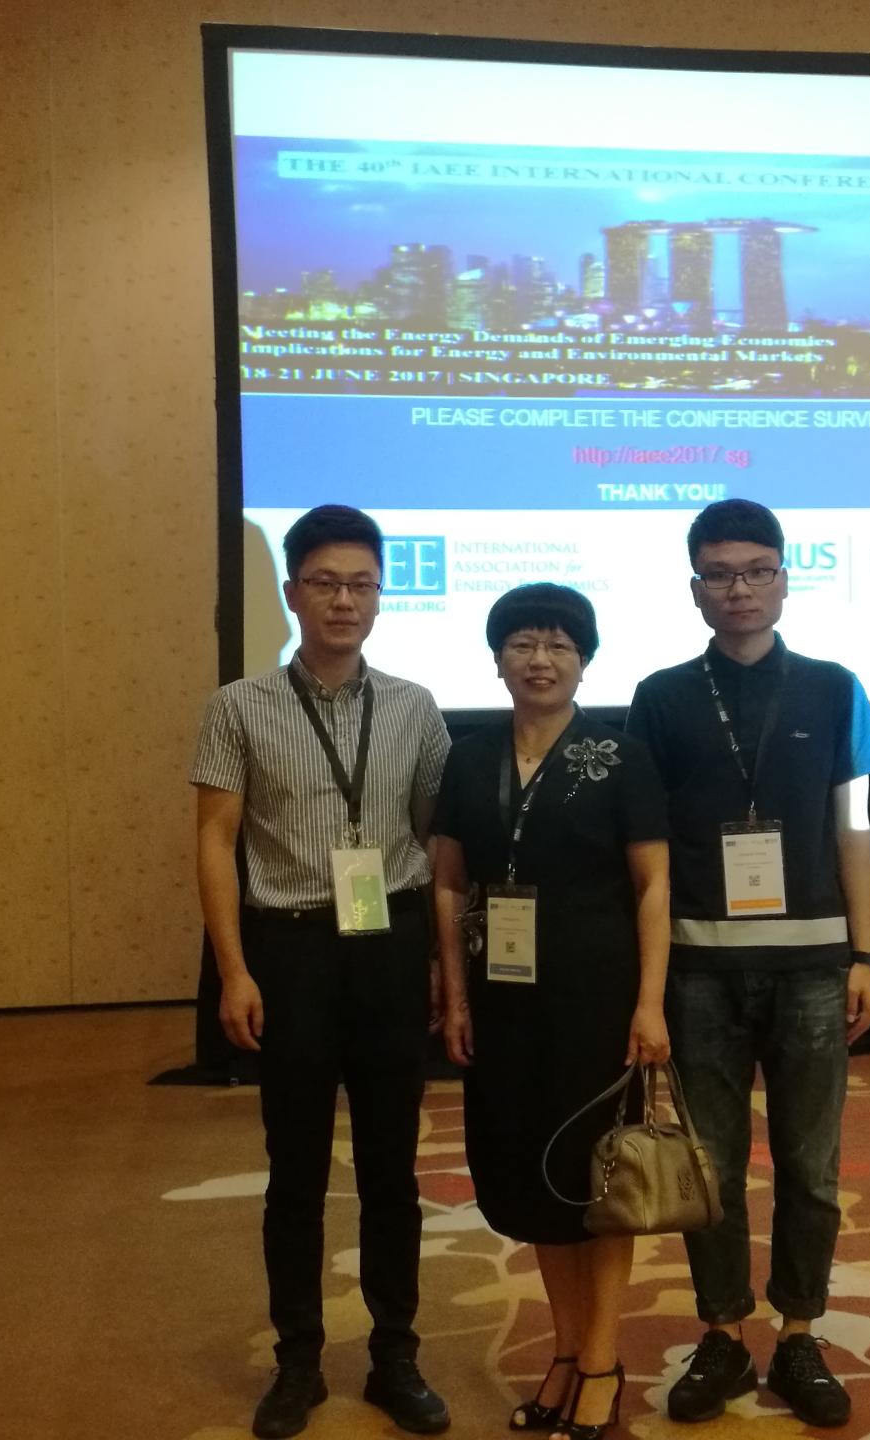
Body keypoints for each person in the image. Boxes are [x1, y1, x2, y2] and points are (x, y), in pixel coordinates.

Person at [625, 499, 870, 1428]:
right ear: (694, 589)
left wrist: (865, 952)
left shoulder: (834, 687)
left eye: (756, 571)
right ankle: (725, 1335)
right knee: (712, 1169)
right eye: (719, 574)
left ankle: (801, 1333)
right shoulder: (660, 698)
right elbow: (647, 850)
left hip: (813, 969)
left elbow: (854, 828)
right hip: (699, 970)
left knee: (811, 1167)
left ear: (784, 578)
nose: (738, 589)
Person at [191, 505, 453, 1439]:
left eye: (362, 585)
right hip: (291, 949)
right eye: (326, 583)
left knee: (392, 1170)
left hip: (390, 946)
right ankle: (298, 1361)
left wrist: (441, 962)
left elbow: (437, 842)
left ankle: (395, 1356)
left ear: (381, 597)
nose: (345, 600)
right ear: (292, 592)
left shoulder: (416, 707)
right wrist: (234, 972)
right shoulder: (238, 707)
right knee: (295, 1170)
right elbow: (215, 840)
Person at [430, 583, 672, 1440]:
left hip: (596, 1004)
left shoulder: (622, 757)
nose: (540, 660)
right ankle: (566, 1352)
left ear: (585, 660)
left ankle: (602, 1363)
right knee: (534, 1181)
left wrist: (651, 1003)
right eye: (523, 644)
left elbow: (653, 886)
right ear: (497, 658)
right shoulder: (468, 758)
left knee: (596, 1183)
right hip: (502, 1002)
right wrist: (455, 994)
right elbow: (449, 881)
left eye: (560, 645)